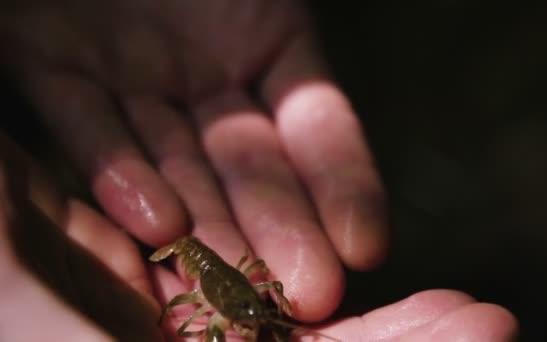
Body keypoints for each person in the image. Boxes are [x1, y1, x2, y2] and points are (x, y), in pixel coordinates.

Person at [0, 1, 518, 340]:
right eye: (247, 318)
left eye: (250, 315)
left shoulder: (252, 298)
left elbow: (260, 288)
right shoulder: (210, 300)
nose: (252, 322)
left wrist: (264, 309)